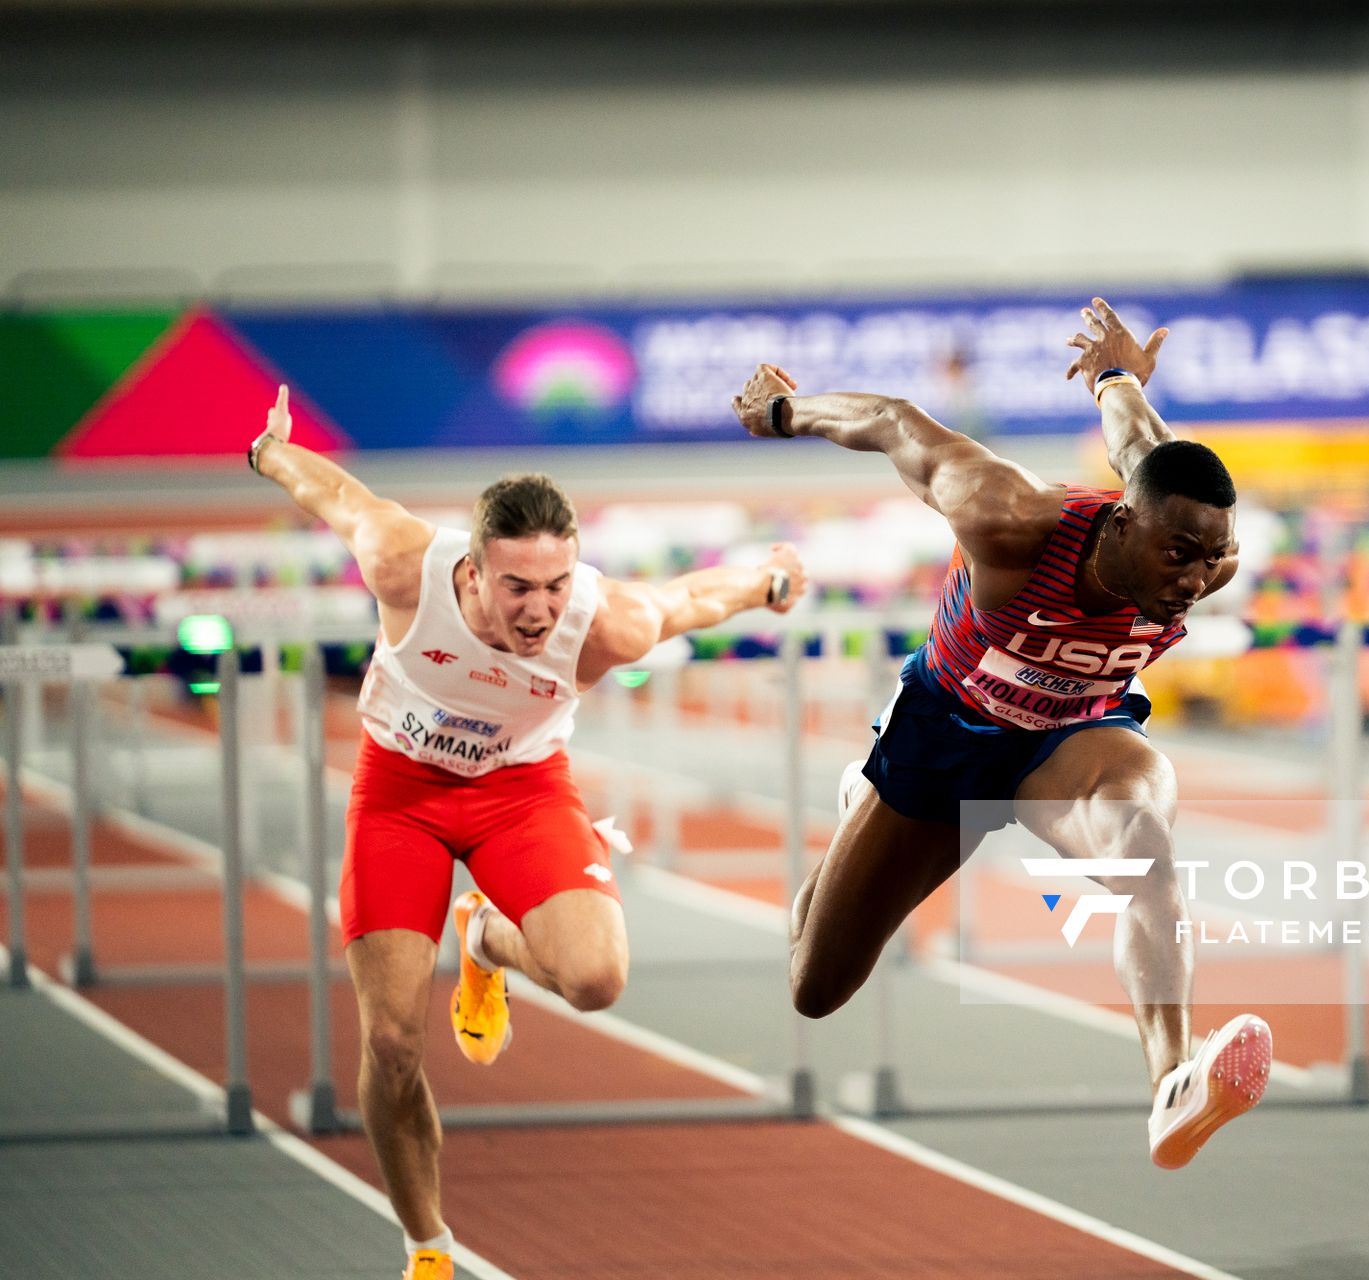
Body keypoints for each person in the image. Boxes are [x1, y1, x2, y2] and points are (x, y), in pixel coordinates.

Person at [247, 386, 807, 1280]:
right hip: (400, 795)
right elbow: (338, 497)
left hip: (522, 792)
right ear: (472, 569)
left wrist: (768, 581)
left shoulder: (600, 622)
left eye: (555, 584)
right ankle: (429, 1248)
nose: (539, 610)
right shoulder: (404, 565)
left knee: (596, 978)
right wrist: (269, 452)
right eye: (517, 587)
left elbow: (691, 600)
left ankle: (486, 937)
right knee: (391, 1045)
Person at [730, 298, 1273, 1170]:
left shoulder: (1199, 554)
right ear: (1126, 526)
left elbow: (1139, 441)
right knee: (816, 986)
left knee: (1143, 840)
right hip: (945, 733)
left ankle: (1173, 1083)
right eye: (1179, 557)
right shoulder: (1008, 519)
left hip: (1075, 734)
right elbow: (891, 421)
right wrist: (785, 412)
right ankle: (860, 798)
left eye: (1212, 559)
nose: (1195, 581)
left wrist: (1117, 375)